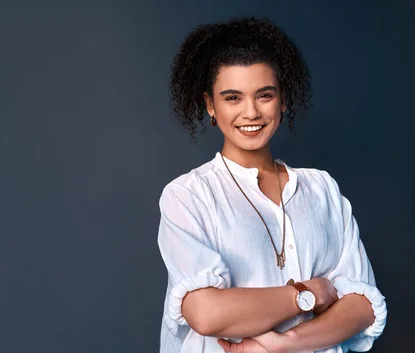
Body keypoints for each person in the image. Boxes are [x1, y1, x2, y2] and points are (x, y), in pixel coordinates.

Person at [156, 17, 387, 353]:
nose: (251, 112)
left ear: (282, 100)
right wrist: (310, 294)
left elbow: (364, 305)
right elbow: (206, 314)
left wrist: (283, 344)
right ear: (210, 105)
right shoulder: (189, 196)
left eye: (264, 95)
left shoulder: (320, 189)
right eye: (233, 98)